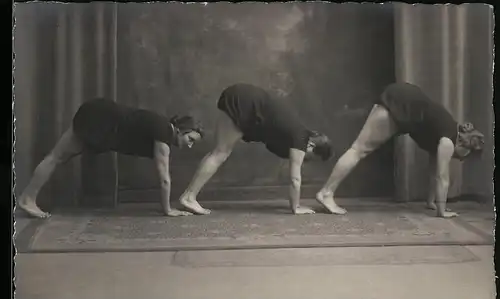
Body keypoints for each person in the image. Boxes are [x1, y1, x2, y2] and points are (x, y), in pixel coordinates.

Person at [316, 82, 485, 218]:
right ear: (465, 144)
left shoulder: (444, 135)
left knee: (358, 149)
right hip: (402, 103)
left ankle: (326, 192)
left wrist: (431, 202)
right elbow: (442, 177)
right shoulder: (448, 140)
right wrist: (442, 211)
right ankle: (326, 193)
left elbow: (435, 170)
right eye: (466, 156)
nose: (462, 160)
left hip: (402, 97)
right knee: (358, 150)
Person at [18, 98, 204, 219]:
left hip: (101, 117)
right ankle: (27, 199)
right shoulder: (164, 132)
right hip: (100, 118)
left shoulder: (164, 130)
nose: (190, 145)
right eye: (190, 139)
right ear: (180, 130)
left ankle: (28, 198)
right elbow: (164, 178)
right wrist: (168, 210)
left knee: (57, 158)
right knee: (56, 157)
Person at [179, 83, 333, 216]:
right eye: (309, 158)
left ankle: (189, 196)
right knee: (220, 152)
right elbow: (295, 179)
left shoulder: (294, 132)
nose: (304, 160)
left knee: (219, 151)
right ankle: (188, 197)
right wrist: (296, 207)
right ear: (311, 146)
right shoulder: (301, 138)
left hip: (240, 95)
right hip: (244, 101)